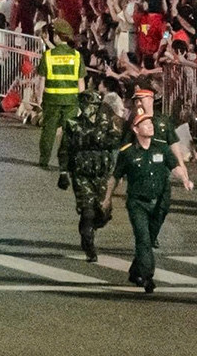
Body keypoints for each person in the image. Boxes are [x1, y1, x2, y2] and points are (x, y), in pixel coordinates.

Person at [105, 115, 191, 293]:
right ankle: (147, 276)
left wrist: (184, 179)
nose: (150, 126)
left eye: (151, 123)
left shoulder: (161, 149)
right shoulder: (128, 153)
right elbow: (115, 177)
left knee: (150, 239)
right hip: (138, 203)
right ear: (136, 130)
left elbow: (174, 166)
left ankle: (135, 271)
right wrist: (107, 198)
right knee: (143, 239)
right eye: (145, 124)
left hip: (158, 203)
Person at [57, 93, 123, 262]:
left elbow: (117, 146)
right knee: (87, 210)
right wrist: (63, 172)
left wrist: (118, 172)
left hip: (103, 173)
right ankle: (88, 244)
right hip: (81, 174)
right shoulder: (73, 124)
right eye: (86, 104)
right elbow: (65, 149)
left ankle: (91, 227)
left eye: (93, 105)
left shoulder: (108, 124)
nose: (89, 108)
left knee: (103, 212)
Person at [38, 21, 82, 169]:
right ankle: (65, 162)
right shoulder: (77, 56)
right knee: (68, 132)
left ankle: (44, 160)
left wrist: (39, 98)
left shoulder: (48, 55)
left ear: (56, 36)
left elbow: (41, 80)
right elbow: (81, 83)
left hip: (51, 100)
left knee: (49, 131)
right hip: (71, 101)